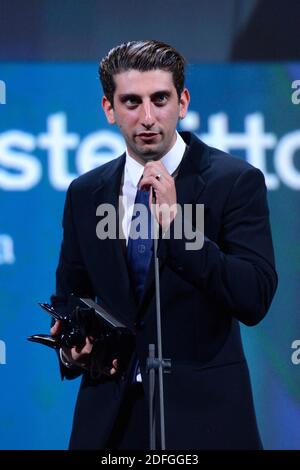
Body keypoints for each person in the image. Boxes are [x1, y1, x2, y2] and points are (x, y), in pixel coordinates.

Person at [50, 40, 277, 450]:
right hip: (111, 421)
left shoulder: (234, 182)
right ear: (109, 109)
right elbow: (71, 296)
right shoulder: (85, 193)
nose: (148, 117)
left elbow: (254, 297)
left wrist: (178, 227)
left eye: (160, 99)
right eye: (132, 102)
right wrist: (72, 348)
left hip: (206, 420)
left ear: (183, 101)